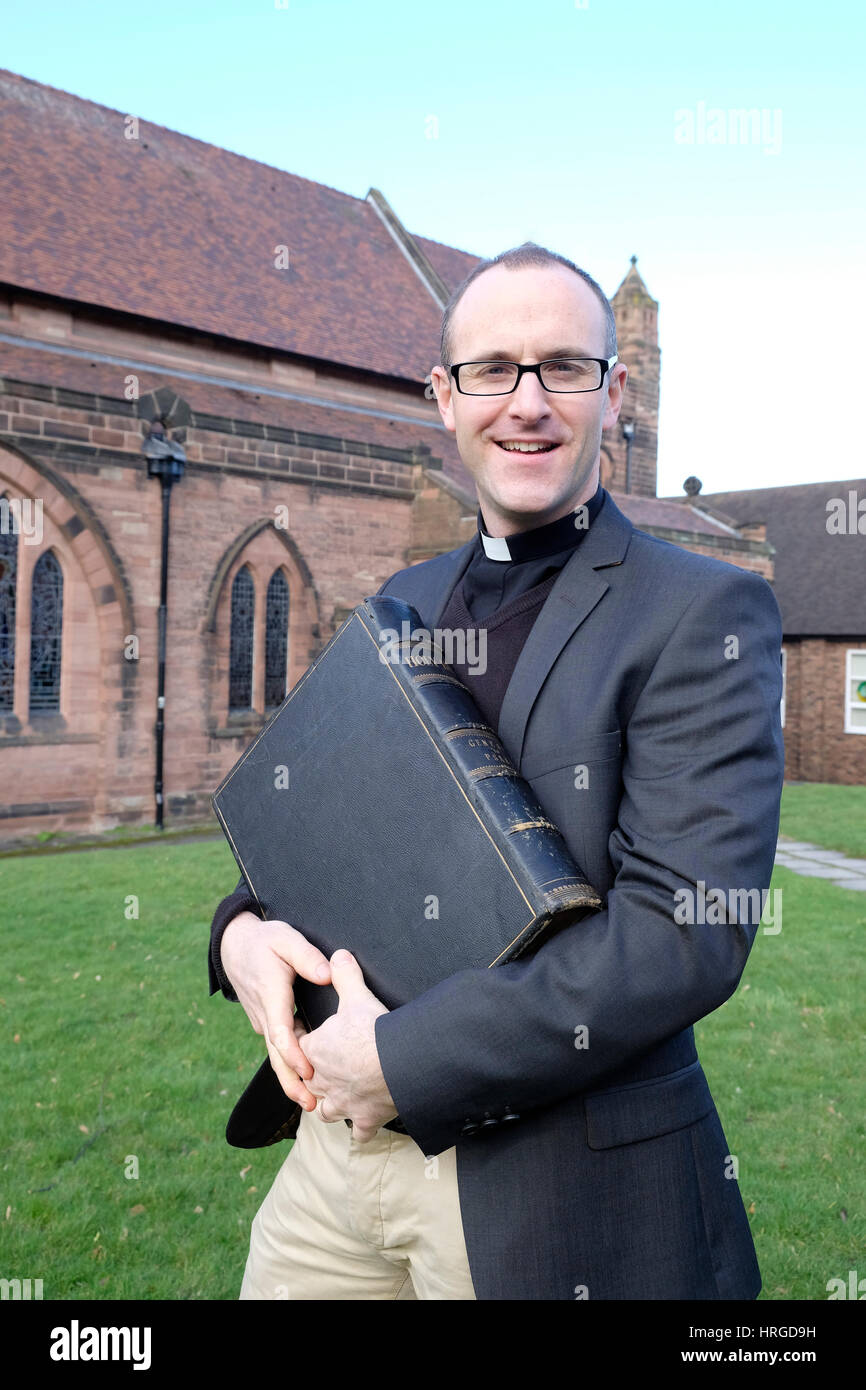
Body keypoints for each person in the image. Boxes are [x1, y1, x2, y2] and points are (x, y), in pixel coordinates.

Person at [208, 242, 785, 1300]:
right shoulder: (404, 596)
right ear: (444, 396)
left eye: (562, 367)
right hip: (337, 1162)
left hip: (553, 1184)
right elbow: (331, 828)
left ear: (613, 393)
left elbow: (681, 931)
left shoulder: (702, 612)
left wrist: (405, 1063)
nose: (525, 402)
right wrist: (237, 933)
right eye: (491, 370)